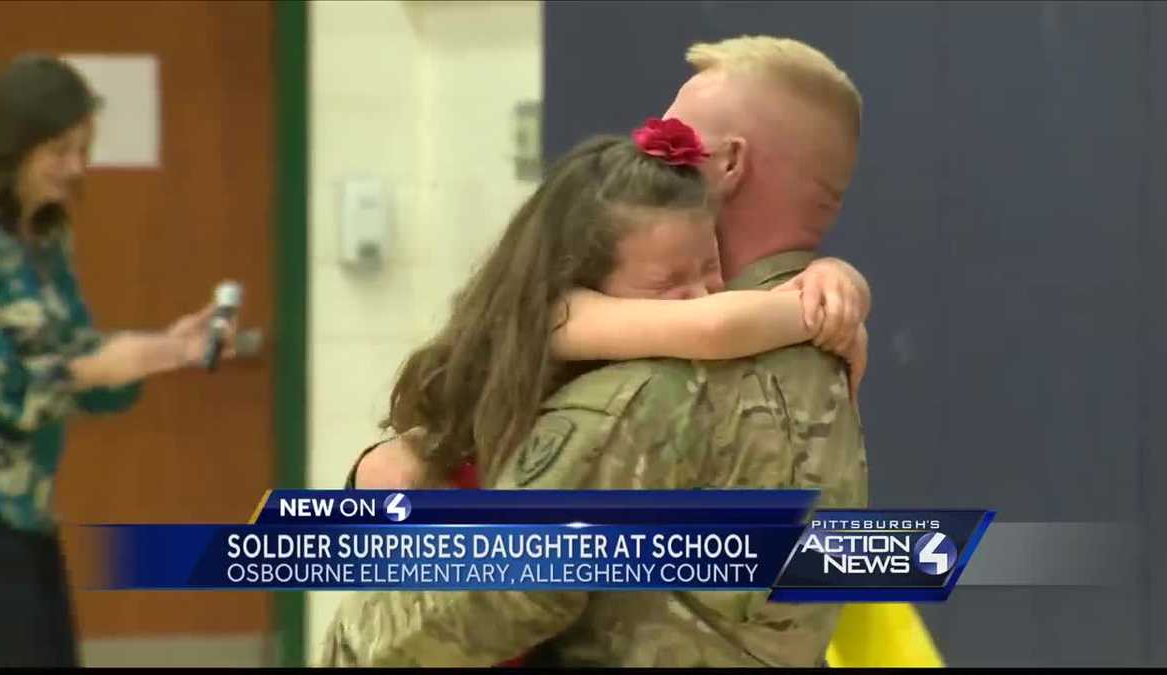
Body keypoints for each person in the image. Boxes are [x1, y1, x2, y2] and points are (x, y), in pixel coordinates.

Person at [321, 34, 867, 667]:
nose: (654, 159)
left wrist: (349, 642)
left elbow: (496, 594)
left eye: (676, 137)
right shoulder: (823, 363)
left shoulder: (650, 386)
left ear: (729, 164)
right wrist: (829, 294)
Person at [345, 119, 867, 496]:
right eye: (668, 282)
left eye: (709, 267)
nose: (700, 295)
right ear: (578, 274)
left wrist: (834, 282)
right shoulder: (557, 312)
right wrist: (817, 309)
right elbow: (713, 326)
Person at [0, 54, 237, 667]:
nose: (76, 167)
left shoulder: (44, 239)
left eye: (83, 149)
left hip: (26, 511)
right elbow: (4, 387)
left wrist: (160, 352)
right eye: (58, 150)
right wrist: (99, 367)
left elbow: (79, 366)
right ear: (13, 145)